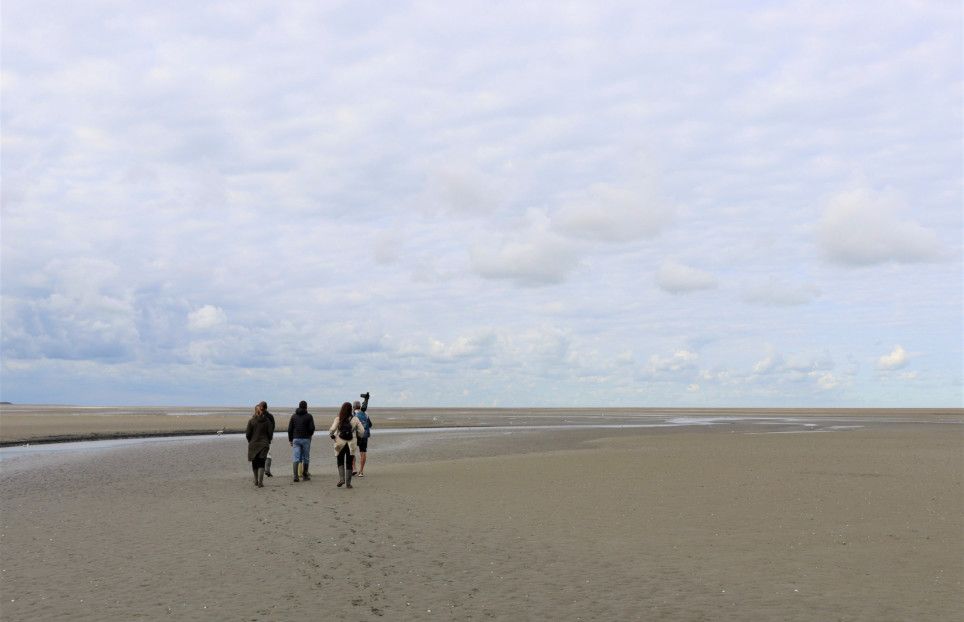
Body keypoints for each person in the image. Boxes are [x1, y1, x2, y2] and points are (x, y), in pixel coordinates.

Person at [328, 402, 365, 489]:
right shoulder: (355, 419)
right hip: (351, 443)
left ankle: (342, 479)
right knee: (349, 462)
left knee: (340, 461)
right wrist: (358, 437)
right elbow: (362, 431)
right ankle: (348, 483)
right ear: (351, 409)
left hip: (340, 442)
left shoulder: (338, 418)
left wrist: (332, 435)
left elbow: (332, 429)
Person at [245, 402, 274, 488]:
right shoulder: (267, 421)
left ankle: (256, 480)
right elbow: (270, 433)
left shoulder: (251, 421)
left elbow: (247, 434)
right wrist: (268, 440)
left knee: (255, 462)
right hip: (264, 444)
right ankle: (260, 482)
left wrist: (251, 441)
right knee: (261, 462)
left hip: (253, 444)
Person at [288, 400, 315, 482]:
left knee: (296, 457)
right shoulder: (309, 416)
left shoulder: (293, 416)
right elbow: (312, 428)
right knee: (306, 458)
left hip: (296, 438)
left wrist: (290, 439)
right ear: (306, 407)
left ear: (299, 406)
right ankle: (305, 475)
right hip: (306, 438)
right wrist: (310, 434)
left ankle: (295, 476)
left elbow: (290, 429)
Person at [351, 393, 373, 477]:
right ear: (359, 406)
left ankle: (354, 468)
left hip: (355, 436)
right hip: (364, 435)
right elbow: (370, 424)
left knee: (352, 452)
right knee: (363, 452)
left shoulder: (353, 415)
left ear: (353, 407)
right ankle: (361, 471)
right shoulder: (366, 414)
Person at [260, 401, 276, 477]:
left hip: (259, 439)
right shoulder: (270, 416)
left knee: (260, 455)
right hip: (267, 438)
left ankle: (261, 471)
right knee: (268, 454)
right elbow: (272, 427)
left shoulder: (257, 416)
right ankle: (267, 470)